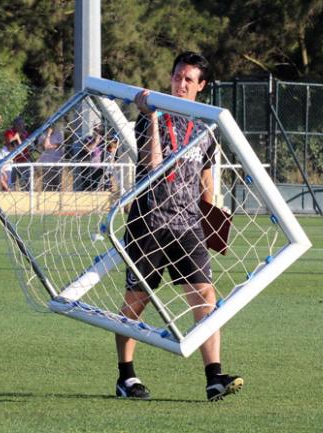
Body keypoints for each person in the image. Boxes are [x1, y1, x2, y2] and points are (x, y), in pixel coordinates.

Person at [114, 52, 243, 402]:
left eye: (189, 79)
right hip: (148, 224)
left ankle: (213, 377)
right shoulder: (148, 117)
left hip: (188, 226)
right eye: (177, 77)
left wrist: (213, 218)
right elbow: (152, 165)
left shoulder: (207, 127)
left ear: (201, 86)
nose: (180, 84)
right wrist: (152, 119)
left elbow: (205, 178)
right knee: (137, 301)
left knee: (205, 296)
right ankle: (126, 376)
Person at [5, 116, 30, 190]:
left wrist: (18, 138)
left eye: (22, 124)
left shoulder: (25, 133)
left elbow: (25, 148)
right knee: (11, 183)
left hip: (24, 161)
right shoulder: (10, 132)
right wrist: (16, 138)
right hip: (13, 161)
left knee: (25, 184)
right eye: (19, 124)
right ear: (15, 125)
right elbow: (10, 144)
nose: (21, 126)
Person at [38, 127, 64, 191]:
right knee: (47, 185)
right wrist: (48, 134)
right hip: (46, 163)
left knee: (57, 185)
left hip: (57, 163)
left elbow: (59, 145)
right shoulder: (43, 135)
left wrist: (50, 146)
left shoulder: (59, 133)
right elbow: (45, 146)